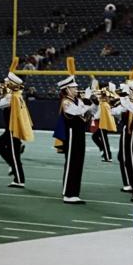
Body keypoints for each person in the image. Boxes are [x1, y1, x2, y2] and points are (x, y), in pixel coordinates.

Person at [53, 60, 94, 204]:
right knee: (71, 163)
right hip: (71, 135)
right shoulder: (66, 101)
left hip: (79, 134)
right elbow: (76, 112)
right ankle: (68, 193)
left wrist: (91, 102)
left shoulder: (77, 100)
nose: (76, 90)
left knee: (78, 162)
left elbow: (88, 112)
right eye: (73, 88)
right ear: (67, 89)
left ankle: (74, 192)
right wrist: (87, 102)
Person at [0, 57, 34, 188]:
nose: (5, 84)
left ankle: (19, 179)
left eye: (7, 82)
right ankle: (13, 167)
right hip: (12, 128)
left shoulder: (11, 96)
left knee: (14, 154)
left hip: (12, 128)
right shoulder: (16, 95)